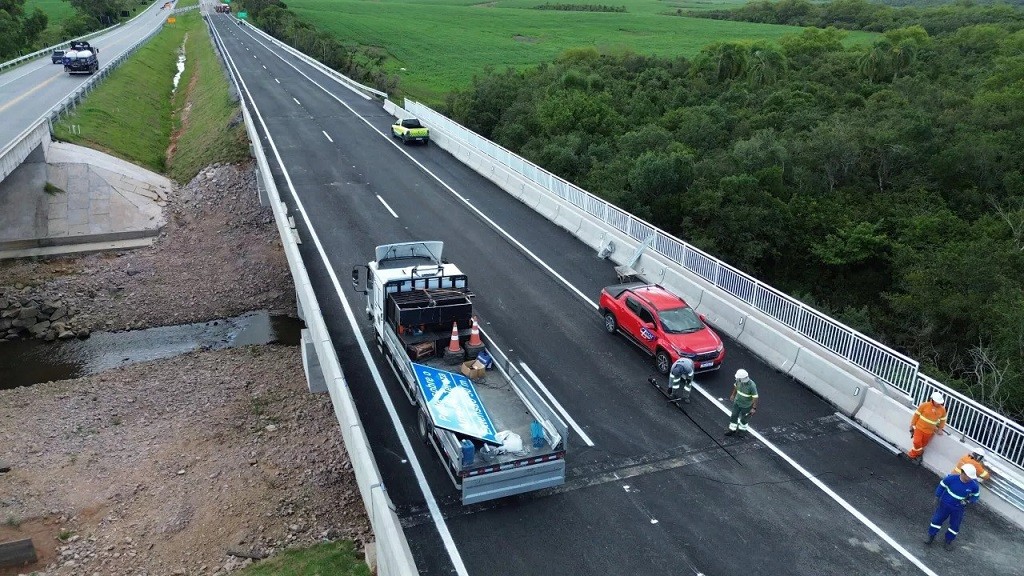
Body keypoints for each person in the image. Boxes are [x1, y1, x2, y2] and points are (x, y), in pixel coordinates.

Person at [926, 463, 980, 550]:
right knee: (936, 520)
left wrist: (968, 501)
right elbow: (941, 486)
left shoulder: (974, 486)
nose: (971, 478)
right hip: (944, 505)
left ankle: (948, 541)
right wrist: (937, 497)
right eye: (969, 476)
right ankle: (931, 536)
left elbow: (976, 496)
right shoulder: (951, 479)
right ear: (963, 473)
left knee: (955, 525)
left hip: (959, 508)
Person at [907, 391, 947, 464]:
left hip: (929, 431)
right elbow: (916, 415)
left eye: (939, 402)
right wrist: (912, 424)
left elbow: (943, 420)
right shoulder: (924, 405)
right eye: (937, 402)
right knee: (916, 442)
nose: (938, 403)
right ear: (932, 399)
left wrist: (940, 429)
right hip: (919, 428)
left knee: (923, 444)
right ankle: (913, 454)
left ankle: (916, 454)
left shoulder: (942, 410)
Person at [725, 369, 758, 436]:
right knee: (734, 415)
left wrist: (754, 408)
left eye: (738, 378)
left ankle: (742, 430)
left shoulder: (752, 385)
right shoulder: (738, 380)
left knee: (744, 419)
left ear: (742, 378)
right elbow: (736, 387)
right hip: (737, 403)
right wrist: (733, 395)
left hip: (747, 406)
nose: (737, 379)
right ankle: (732, 429)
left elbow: (755, 397)